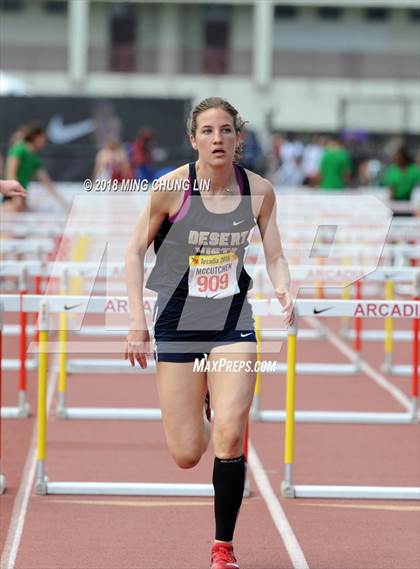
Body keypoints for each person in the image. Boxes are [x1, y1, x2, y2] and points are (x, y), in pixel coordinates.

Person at [124, 97, 293, 569]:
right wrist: (137, 321)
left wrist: (282, 287)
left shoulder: (258, 189)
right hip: (177, 322)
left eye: (225, 130)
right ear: (193, 138)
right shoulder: (170, 188)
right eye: (207, 131)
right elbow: (133, 252)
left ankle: (223, 547)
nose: (217, 139)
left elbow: (275, 254)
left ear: (239, 138)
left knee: (230, 430)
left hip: (232, 322)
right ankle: (201, 402)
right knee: (186, 453)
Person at [3, 123, 69, 212]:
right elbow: (10, 173)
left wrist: (64, 202)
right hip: (11, 194)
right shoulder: (19, 149)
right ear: (36, 137)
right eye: (43, 138)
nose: (45, 142)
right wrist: (15, 196)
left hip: (21, 195)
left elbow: (46, 182)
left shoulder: (34, 158)